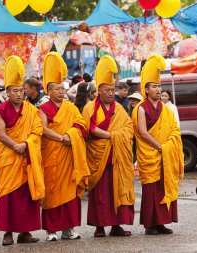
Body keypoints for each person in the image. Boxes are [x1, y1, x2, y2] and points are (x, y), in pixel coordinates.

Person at [0, 56, 45, 246]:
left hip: (26, 156)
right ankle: (7, 233)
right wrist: (18, 146)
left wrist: (27, 144)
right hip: (9, 157)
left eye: (21, 91)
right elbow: (1, 134)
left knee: (27, 195)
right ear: (7, 92)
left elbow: (37, 130)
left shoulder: (31, 110)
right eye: (15, 91)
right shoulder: (0, 110)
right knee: (8, 195)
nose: (19, 94)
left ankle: (25, 232)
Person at [39, 52, 90, 241]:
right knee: (52, 193)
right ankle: (51, 231)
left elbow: (81, 125)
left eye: (63, 88)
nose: (61, 91)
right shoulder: (43, 109)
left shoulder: (71, 108)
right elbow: (43, 130)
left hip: (70, 156)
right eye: (57, 89)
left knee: (70, 192)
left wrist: (71, 135)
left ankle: (68, 229)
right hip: (53, 155)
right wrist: (62, 138)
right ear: (49, 91)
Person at [82, 55, 135, 237]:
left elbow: (128, 128)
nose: (111, 93)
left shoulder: (119, 109)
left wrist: (114, 137)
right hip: (98, 158)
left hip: (117, 156)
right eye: (107, 90)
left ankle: (116, 225)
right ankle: (99, 226)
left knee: (117, 190)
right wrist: (111, 135)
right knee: (100, 194)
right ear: (99, 91)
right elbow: (88, 128)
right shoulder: (90, 108)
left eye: (113, 90)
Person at [132, 54, 184, 235]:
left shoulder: (166, 109)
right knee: (151, 191)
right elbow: (142, 132)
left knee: (164, 187)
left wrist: (169, 145)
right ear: (146, 90)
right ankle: (149, 224)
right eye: (154, 87)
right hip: (150, 154)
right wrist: (160, 146)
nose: (157, 89)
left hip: (165, 153)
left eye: (159, 86)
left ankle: (162, 222)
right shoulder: (141, 108)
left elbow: (174, 130)